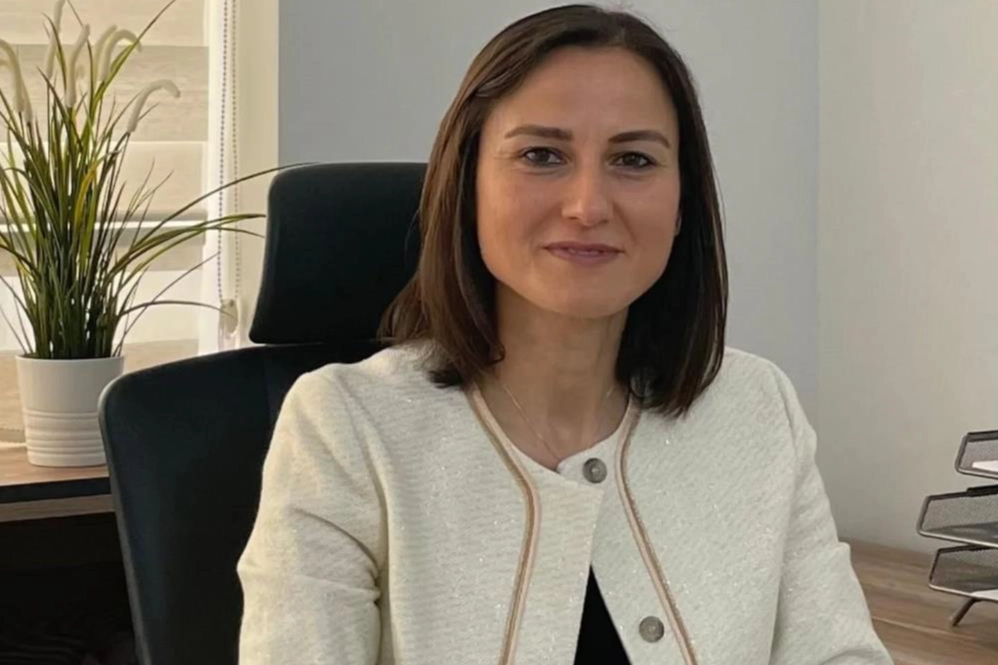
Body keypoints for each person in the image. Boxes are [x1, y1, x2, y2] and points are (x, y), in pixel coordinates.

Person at [237, 4, 893, 664]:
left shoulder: (757, 409)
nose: (588, 205)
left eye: (633, 159)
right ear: (467, 185)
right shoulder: (346, 428)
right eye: (541, 155)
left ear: (681, 203)